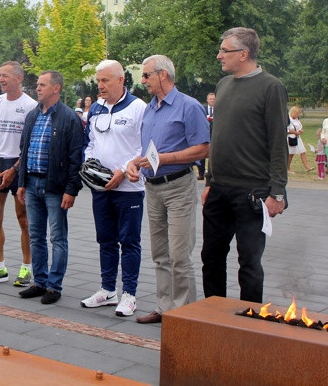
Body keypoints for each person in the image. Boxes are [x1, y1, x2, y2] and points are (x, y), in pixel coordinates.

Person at [201, 27, 289, 305]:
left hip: (253, 192)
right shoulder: (223, 86)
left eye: (224, 51)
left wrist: (278, 192)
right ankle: (214, 316)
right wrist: (209, 182)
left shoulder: (271, 87)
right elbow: (218, 138)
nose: (219, 56)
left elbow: (278, 142)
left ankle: (249, 323)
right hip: (219, 190)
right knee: (211, 256)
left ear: (244, 54)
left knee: (249, 261)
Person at [125, 55, 210, 324]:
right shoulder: (150, 108)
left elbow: (203, 148)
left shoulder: (189, 106)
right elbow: (147, 150)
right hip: (152, 187)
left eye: (147, 75)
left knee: (179, 254)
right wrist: (134, 163)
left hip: (178, 186)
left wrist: (166, 158)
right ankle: (164, 308)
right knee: (160, 253)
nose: (143, 81)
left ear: (163, 75)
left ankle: (184, 314)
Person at [80, 60, 145, 317]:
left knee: (129, 241)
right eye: (98, 81)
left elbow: (145, 145)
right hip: (101, 188)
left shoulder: (138, 108)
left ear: (121, 80)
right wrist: (90, 165)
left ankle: (129, 293)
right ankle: (108, 290)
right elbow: (90, 143)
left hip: (129, 187)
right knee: (105, 239)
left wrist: (122, 169)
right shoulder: (95, 108)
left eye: (105, 80)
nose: (100, 86)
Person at [16, 70, 84, 305]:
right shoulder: (33, 115)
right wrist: (22, 183)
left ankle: (54, 287)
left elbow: (76, 157)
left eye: (43, 84)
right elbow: (24, 150)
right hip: (32, 183)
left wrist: (71, 189)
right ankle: (40, 282)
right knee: (35, 235)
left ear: (56, 88)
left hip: (55, 186)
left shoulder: (69, 118)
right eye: (37, 84)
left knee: (57, 237)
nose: (37, 88)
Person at [0, 61, 37, 287]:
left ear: (19, 78)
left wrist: (15, 169)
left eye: (5, 76)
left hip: (20, 165)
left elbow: (31, 143)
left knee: (24, 219)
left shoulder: (31, 105)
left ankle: (26, 268)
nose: (1, 79)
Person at [287, 106, 313, 172]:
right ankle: (288, 168)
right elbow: (286, 130)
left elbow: (299, 127)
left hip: (298, 138)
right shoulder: (289, 120)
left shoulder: (296, 120)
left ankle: (307, 167)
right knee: (291, 154)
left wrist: (300, 131)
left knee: (303, 152)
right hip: (291, 138)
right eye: (297, 113)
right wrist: (295, 132)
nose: (298, 115)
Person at [195, 93, 215, 180]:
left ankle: (213, 174)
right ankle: (201, 173)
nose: (212, 100)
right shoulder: (203, 109)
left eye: (214, 99)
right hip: (204, 134)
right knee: (202, 154)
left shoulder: (220, 109)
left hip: (214, 134)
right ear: (207, 100)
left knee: (213, 155)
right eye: (210, 99)